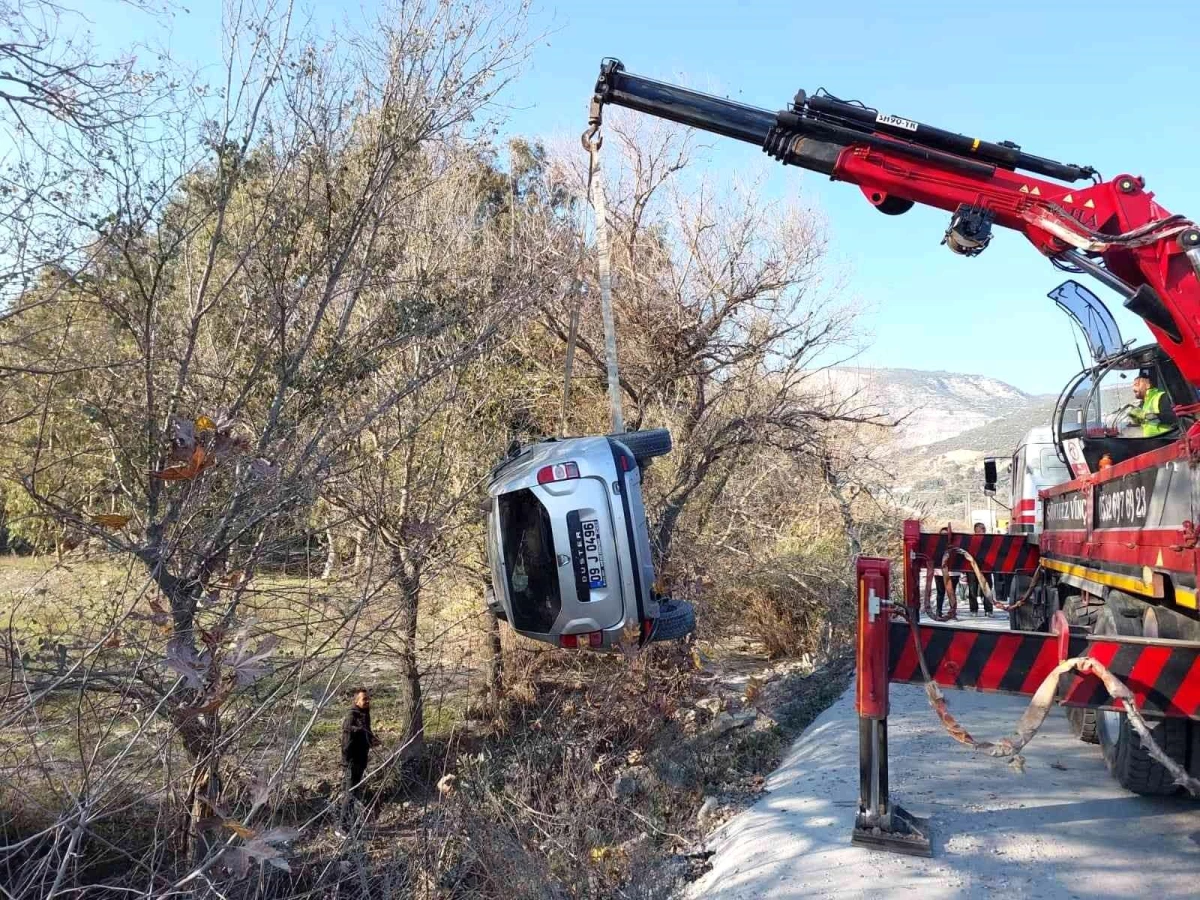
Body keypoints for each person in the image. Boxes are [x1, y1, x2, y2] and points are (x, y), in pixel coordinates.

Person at [340, 687, 379, 833]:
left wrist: (372, 740)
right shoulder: (351, 717)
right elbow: (347, 743)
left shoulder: (365, 714)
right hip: (351, 762)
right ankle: (341, 827)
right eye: (364, 699)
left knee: (355, 794)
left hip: (361, 760)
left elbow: (366, 733)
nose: (368, 701)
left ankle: (352, 823)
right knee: (349, 794)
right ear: (356, 701)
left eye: (368, 698)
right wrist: (347, 763)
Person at [1128, 369, 1176, 438]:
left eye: (1137, 384)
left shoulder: (1161, 397)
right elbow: (1144, 422)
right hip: (1152, 441)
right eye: (1133, 386)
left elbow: (1174, 417)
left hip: (1166, 440)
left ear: (1148, 385)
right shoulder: (1143, 403)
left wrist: (1149, 416)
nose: (1133, 388)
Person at [967, 522, 994, 616]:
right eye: (980, 529)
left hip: (986, 568)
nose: (982, 530)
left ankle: (989, 610)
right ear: (975, 530)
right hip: (972, 569)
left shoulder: (990, 540)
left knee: (987, 589)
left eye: (983, 528)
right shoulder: (970, 540)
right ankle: (974, 610)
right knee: (972, 589)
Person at [934, 527, 960, 616]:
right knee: (940, 592)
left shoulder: (956, 545)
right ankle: (938, 611)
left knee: (952, 593)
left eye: (946, 535)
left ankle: (952, 612)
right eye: (942, 535)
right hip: (939, 572)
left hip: (953, 573)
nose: (944, 537)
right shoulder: (935, 545)